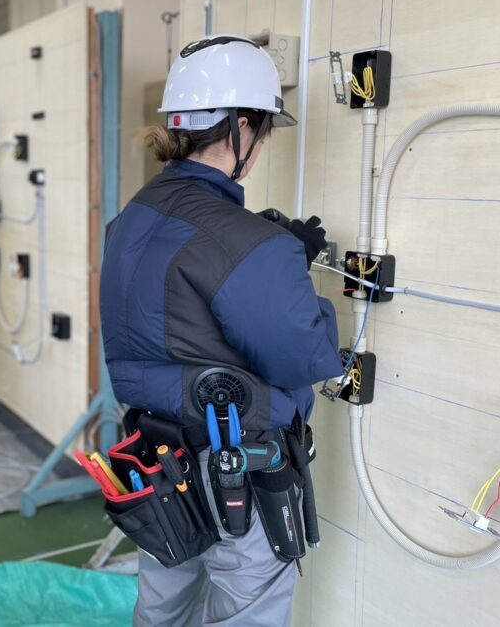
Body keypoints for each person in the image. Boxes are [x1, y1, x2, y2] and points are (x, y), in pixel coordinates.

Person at [100, 36, 344, 626]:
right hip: (238, 470)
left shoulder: (129, 218)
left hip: (161, 464)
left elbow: (181, 315)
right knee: (247, 613)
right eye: (263, 132)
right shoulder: (253, 246)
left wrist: (272, 257)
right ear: (240, 128)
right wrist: (286, 267)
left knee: (164, 604)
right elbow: (306, 355)